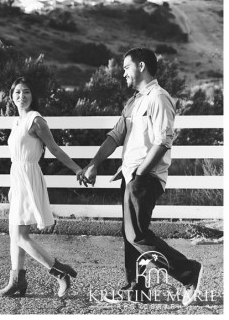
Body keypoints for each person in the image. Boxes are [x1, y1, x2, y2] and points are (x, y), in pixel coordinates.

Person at [78, 47, 203, 306]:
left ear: (142, 66)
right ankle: (137, 289)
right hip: (130, 176)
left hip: (145, 177)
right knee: (130, 234)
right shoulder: (134, 101)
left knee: (137, 234)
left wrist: (139, 172)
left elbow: (163, 142)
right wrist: (94, 164)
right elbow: (115, 136)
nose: (123, 73)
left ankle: (188, 271)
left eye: (126, 67)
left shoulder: (159, 98)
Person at [0, 77, 87, 298]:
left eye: (26, 92)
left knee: (20, 235)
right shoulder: (17, 121)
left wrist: (77, 169)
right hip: (18, 177)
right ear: (11, 97)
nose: (22, 96)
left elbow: (54, 149)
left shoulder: (35, 121)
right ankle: (17, 281)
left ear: (33, 96)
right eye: (17, 92)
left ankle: (59, 272)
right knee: (14, 233)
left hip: (28, 177)